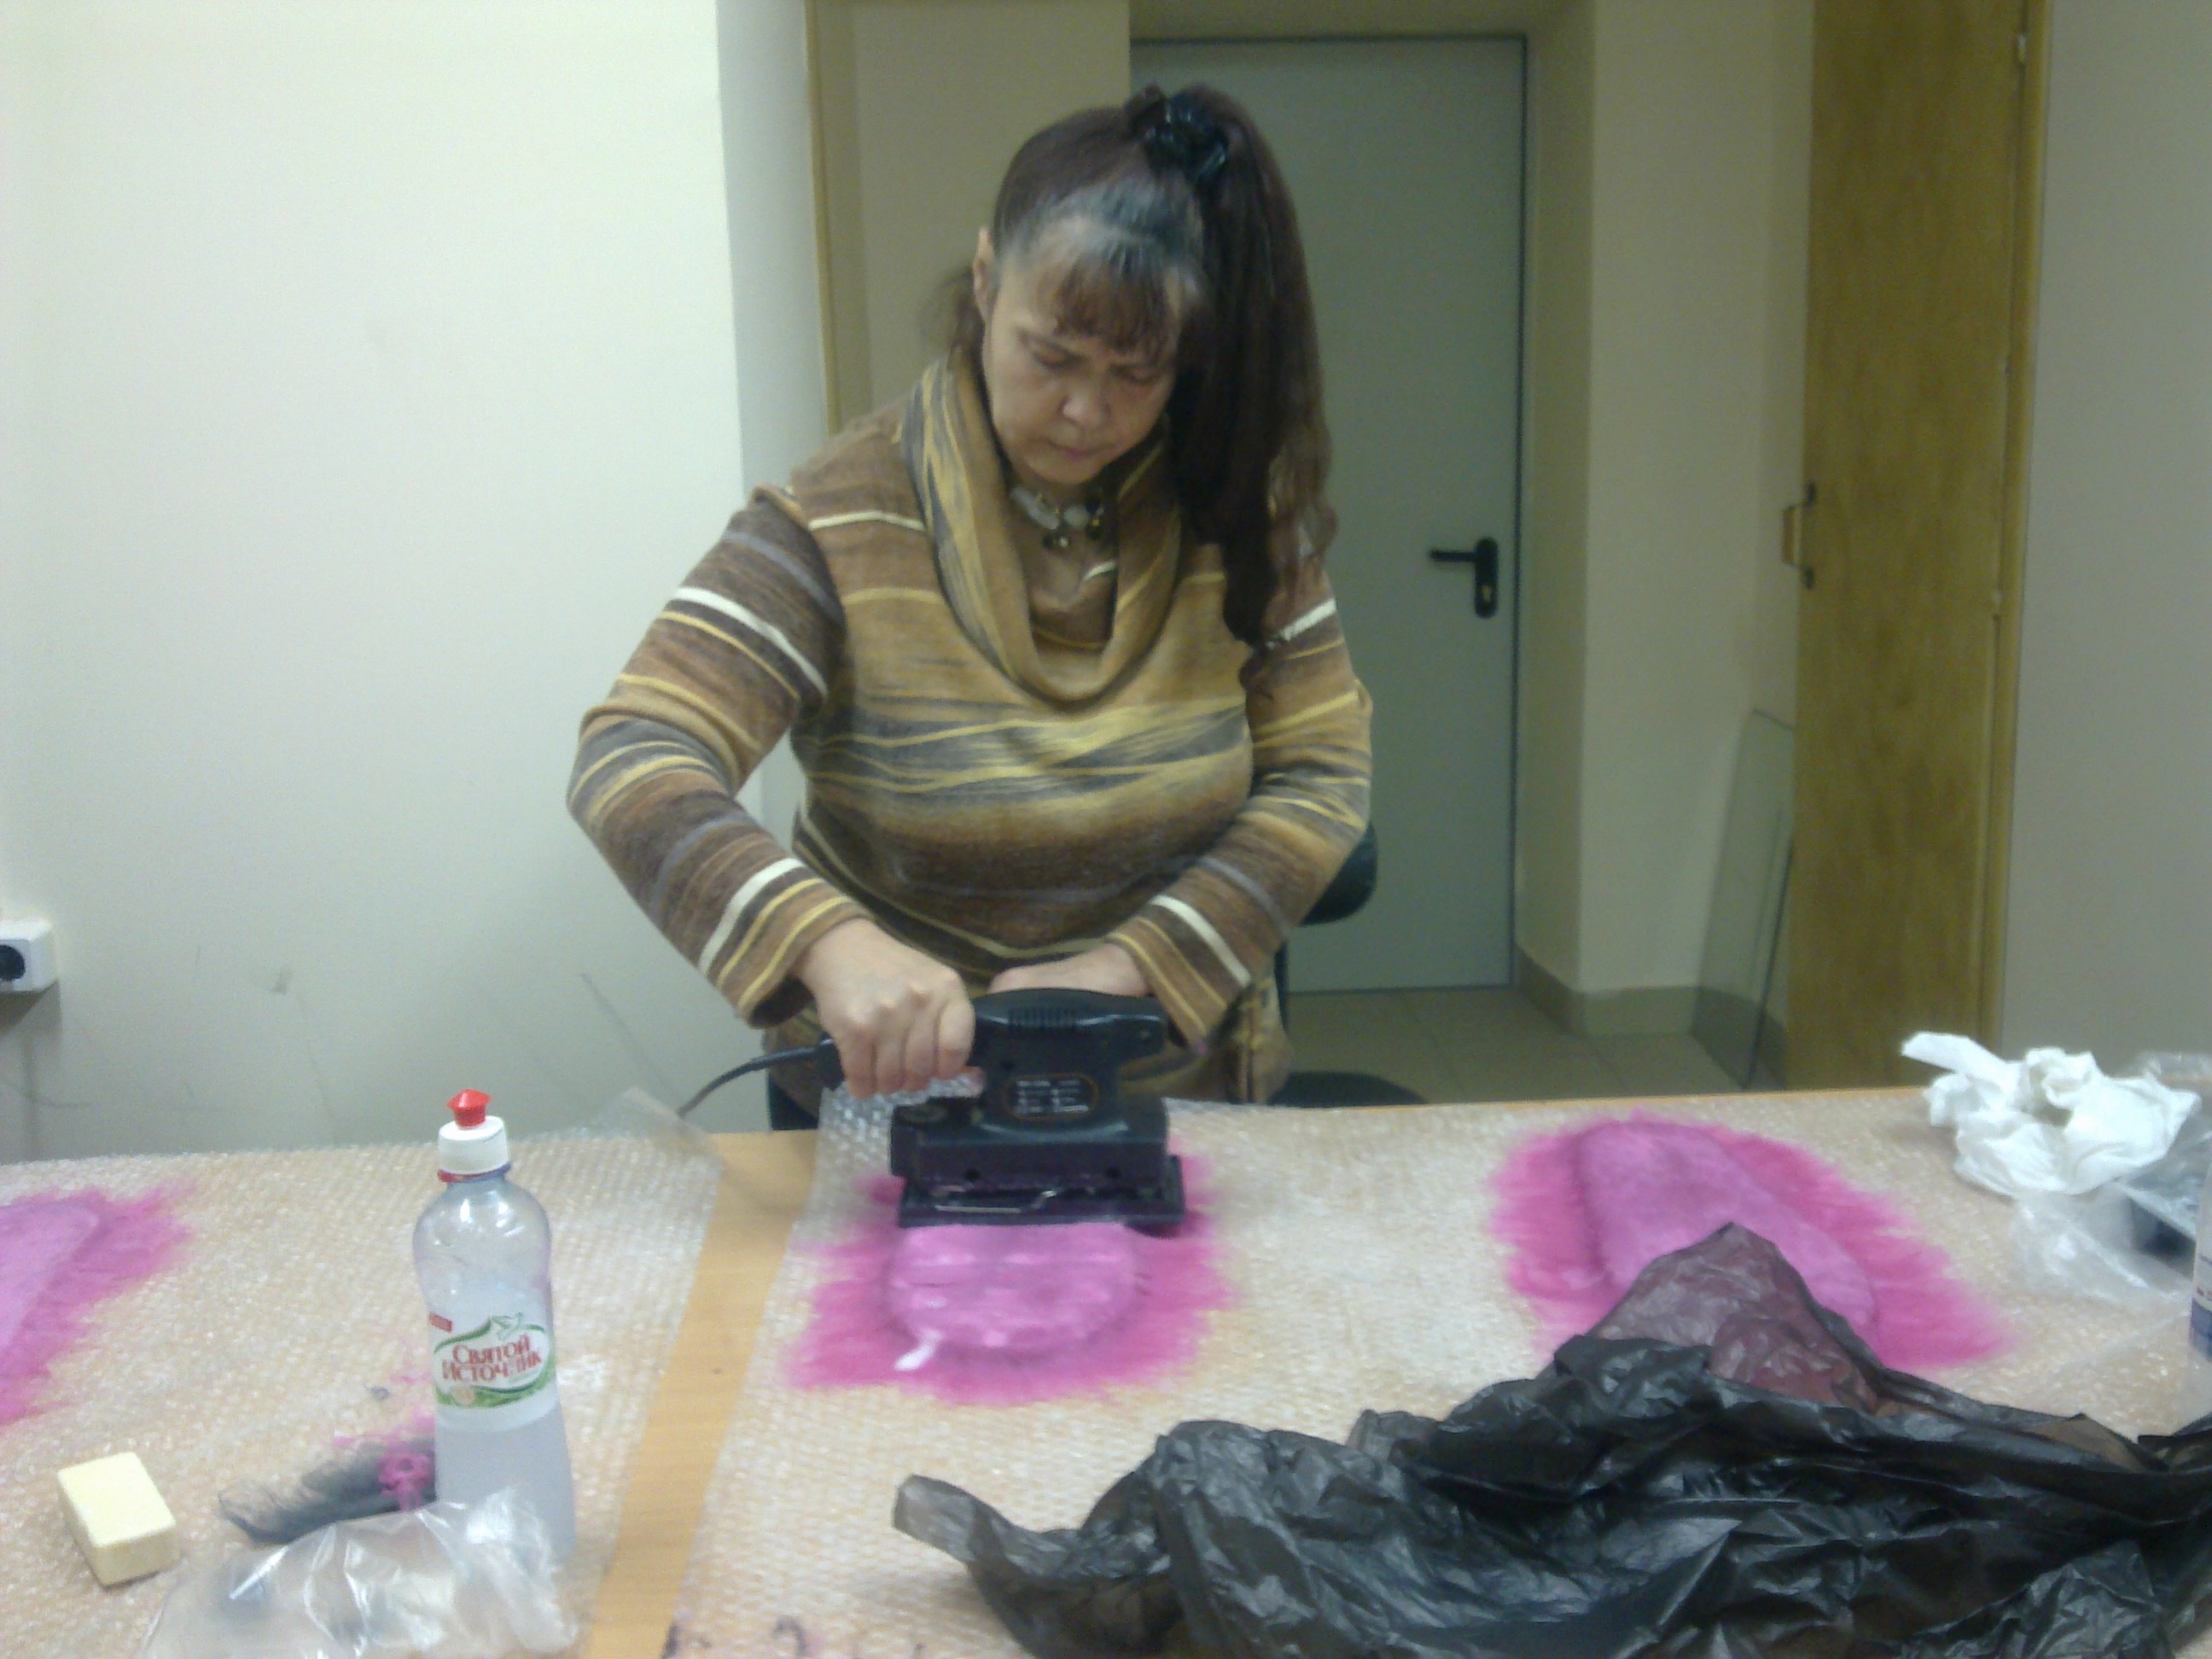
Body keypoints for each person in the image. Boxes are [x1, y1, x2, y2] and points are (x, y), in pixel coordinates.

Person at [570, 85, 1371, 1124]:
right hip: (894, 1107)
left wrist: (1133, 967)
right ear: (988, 279)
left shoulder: (1232, 513)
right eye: (1054, 355)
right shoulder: (837, 520)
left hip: (1168, 1094)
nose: (1085, 410)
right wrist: (830, 943)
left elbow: (1322, 772)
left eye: (1137, 373)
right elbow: (633, 753)